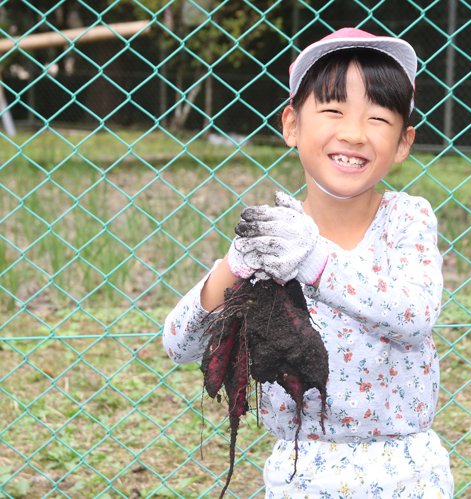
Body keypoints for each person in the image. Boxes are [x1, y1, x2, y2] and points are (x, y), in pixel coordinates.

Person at [163, 27, 453, 498]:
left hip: (405, 470)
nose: (354, 133)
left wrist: (316, 260)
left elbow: (413, 316)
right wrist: (233, 267)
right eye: (333, 110)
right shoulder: (276, 236)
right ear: (292, 125)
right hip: (301, 470)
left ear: (403, 142)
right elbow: (180, 345)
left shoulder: (406, 217)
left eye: (379, 118)